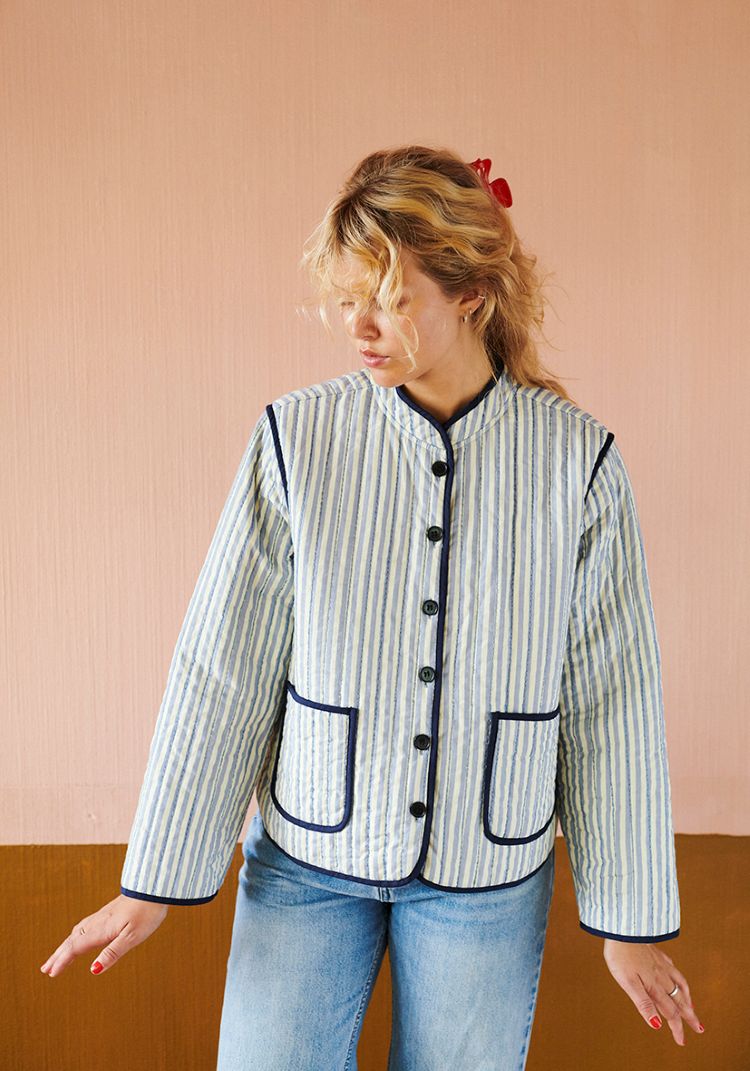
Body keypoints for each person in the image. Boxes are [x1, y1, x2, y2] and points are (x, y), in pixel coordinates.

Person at [39, 145, 704, 1067]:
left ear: (471, 294)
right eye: (348, 296)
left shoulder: (575, 461)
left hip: (487, 867)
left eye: (389, 299)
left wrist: (628, 920)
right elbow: (224, 664)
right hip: (308, 853)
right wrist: (153, 879)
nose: (359, 325)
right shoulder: (297, 437)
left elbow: (611, 697)